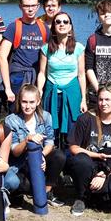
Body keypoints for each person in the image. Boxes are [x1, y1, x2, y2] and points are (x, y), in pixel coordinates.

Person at [66, 85, 111, 216]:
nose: (103, 103)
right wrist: (96, 155)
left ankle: (97, 196)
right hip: (88, 164)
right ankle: (82, 197)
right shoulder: (85, 118)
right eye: (101, 99)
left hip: (109, 166)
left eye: (107, 99)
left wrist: (104, 174)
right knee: (81, 160)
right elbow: (73, 147)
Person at [4, 84, 66, 208]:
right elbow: (15, 151)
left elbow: (50, 142)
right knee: (24, 185)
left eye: (32, 102)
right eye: (24, 102)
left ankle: (46, 192)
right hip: (21, 163)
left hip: (39, 158)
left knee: (59, 156)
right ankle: (20, 193)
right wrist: (27, 139)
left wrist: (41, 156)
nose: (28, 106)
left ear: (38, 102)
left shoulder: (46, 116)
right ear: (19, 101)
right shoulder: (11, 120)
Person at [37, 11, 87, 144]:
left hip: (72, 93)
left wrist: (83, 99)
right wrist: (39, 91)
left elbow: (81, 75)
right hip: (51, 92)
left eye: (65, 22)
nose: (62, 24)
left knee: (72, 130)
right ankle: (52, 154)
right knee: (51, 130)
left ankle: (70, 153)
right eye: (58, 22)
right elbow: (42, 73)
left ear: (70, 27)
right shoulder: (46, 49)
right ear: (53, 26)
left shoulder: (79, 48)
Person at [0, 0, 50, 106]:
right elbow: (2, 57)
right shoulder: (14, 27)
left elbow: (49, 55)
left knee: (36, 111)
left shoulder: (44, 28)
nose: (30, 9)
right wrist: (7, 88)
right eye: (26, 6)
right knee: (15, 111)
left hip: (37, 77)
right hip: (17, 77)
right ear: (20, 6)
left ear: (38, 6)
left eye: (33, 6)